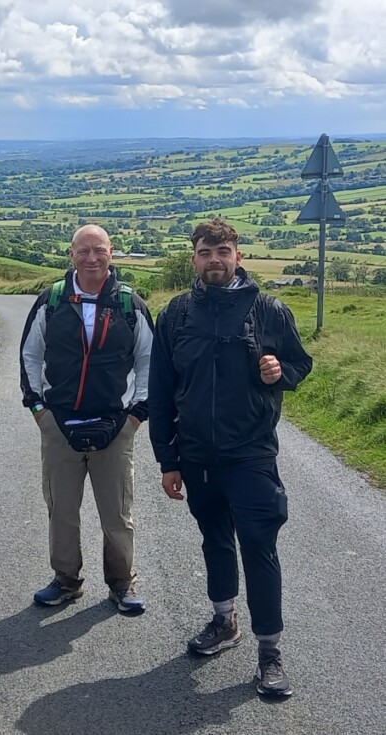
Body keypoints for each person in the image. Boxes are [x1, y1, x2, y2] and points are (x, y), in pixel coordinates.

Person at [148, 218, 312, 698]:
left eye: (223, 251)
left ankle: (270, 652)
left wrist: (280, 372)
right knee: (214, 538)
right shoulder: (176, 314)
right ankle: (224, 621)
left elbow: (301, 364)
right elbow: (161, 392)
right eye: (205, 251)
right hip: (197, 454)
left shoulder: (268, 310)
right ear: (194, 257)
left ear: (238, 256)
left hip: (251, 453)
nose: (214, 259)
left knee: (259, 545)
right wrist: (167, 460)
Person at [20, 224, 152, 614]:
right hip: (59, 422)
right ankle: (66, 580)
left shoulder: (130, 304)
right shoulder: (53, 300)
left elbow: (149, 362)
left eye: (99, 250)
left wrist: (136, 415)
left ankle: (121, 584)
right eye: (83, 251)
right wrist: (39, 411)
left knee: (117, 513)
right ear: (71, 254)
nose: (91, 258)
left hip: (116, 425)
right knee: (61, 509)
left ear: (112, 252)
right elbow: (30, 355)